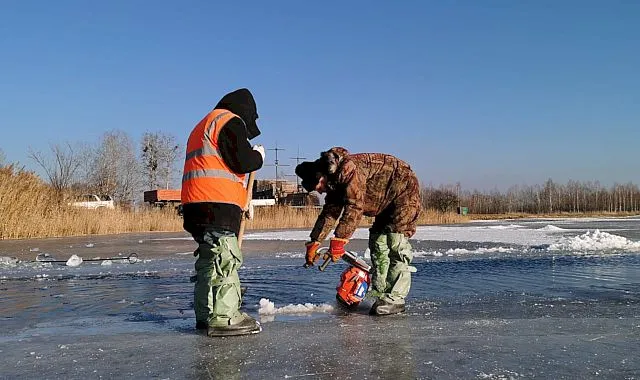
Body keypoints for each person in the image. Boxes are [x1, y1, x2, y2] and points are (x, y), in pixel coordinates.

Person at [295, 147, 421, 316]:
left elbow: (354, 206)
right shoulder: (334, 183)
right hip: (383, 203)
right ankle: (380, 293)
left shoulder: (348, 170)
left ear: (321, 175)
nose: (318, 191)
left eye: (317, 186)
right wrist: (314, 242)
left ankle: (396, 299)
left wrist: (339, 241)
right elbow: (330, 213)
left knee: (395, 244)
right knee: (377, 243)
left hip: (403, 193)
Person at [181, 88, 265, 336]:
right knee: (225, 259)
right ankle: (225, 317)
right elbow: (242, 161)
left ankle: (205, 314)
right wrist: (257, 157)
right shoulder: (229, 121)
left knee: (209, 261)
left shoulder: (203, 125)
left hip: (196, 206)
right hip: (217, 204)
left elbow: (216, 164)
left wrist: (243, 201)